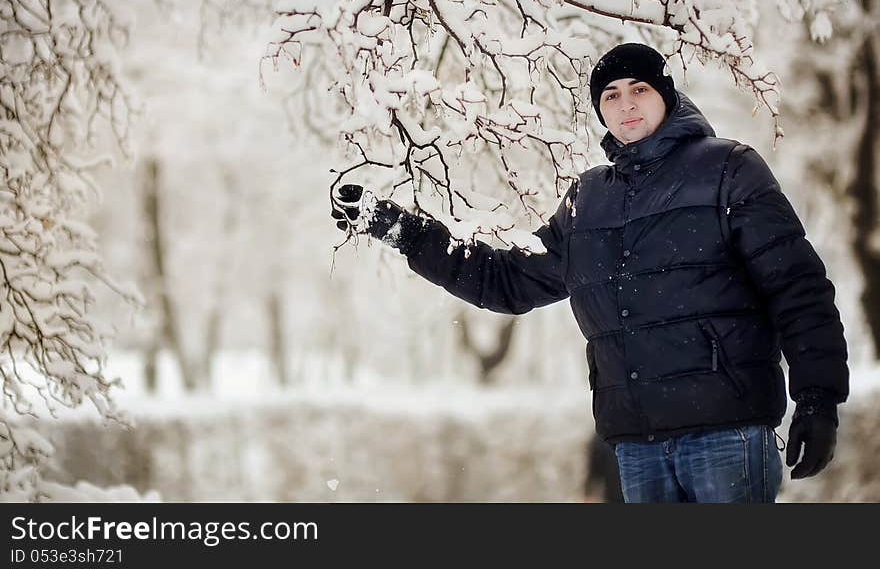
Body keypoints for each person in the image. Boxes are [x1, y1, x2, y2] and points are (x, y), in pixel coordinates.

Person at [330, 42, 849, 503]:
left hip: (726, 433)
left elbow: (797, 287)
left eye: (638, 89)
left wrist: (818, 396)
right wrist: (399, 227)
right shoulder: (588, 198)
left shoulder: (729, 170)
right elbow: (507, 281)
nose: (625, 105)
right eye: (611, 96)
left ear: (666, 94)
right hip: (637, 442)